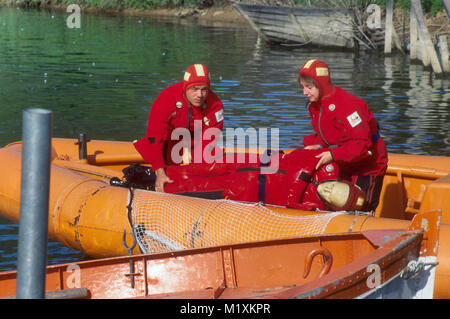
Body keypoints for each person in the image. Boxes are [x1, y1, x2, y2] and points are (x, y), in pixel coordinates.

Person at [116, 148, 366, 212]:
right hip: (252, 166)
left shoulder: (316, 208)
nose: (329, 190)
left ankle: (144, 186)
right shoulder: (328, 165)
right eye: (337, 188)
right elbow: (300, 157)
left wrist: (302, 177)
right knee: (199, 169)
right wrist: (302, 175)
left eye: (332, 196)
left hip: (245, 190)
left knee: (195, 187)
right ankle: (150, 172)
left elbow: (291, 201)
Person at [298, 59, 388, 212]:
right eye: (303, 87)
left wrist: (332, 155)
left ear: (321, 85)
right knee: (335, 204)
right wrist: (318, 145)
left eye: (309, 87)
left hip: (367, 164)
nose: (304, 92)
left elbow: (361, 145)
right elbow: (329, 135)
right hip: (343, 160)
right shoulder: (315, 106)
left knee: (360, 207)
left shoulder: (348, 105)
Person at [133, 64, 224, 193]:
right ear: (186, 87)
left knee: (212, 161)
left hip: (195, 143)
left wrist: (198, 173)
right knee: (153, 149)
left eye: (204, 89)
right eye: (194, 89)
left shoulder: (215, 106)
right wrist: (160, 172)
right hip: (168, 142)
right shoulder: (166, 99)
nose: (200, 94)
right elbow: (154, 137)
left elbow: (208, 142)